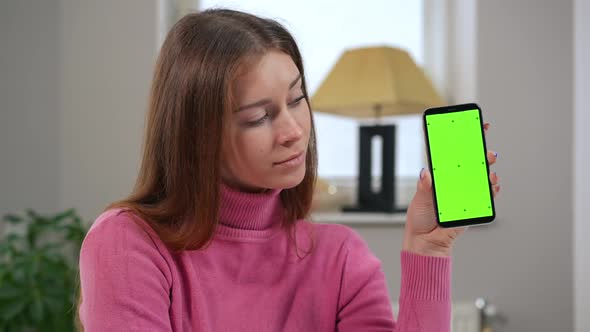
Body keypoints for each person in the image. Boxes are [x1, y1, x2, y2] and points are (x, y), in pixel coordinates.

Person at [77, 8, 500, 332]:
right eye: (259, 117)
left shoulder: (341, 257)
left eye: (297, 99)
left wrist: (428, 251)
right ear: (197, 133)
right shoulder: (128, 243)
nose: (294, 131)